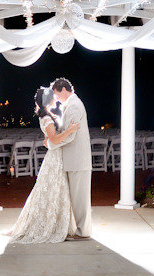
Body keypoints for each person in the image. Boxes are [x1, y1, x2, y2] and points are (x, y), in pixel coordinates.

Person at [8, 87, 79, 243]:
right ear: (47, 100)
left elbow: (51, 138)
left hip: (56, 154)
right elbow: (54, 139)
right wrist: (70, 130)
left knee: (56, 189)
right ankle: (50, 225)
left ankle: (59, 223)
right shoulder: (46, 118)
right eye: (52, 97)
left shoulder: (48, 115)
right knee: (54, 188)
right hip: (55, 157)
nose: (55, 99)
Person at [46, 77, 92, 241]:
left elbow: (70, 136)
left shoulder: (74, 106)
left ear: (64, 89)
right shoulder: (72, 105)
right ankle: (80, 229)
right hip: (75, 159)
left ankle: (83, 232)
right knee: (77, 198)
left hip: (77, 160)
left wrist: (51, 144)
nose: (57, 98)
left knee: (80, 199)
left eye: (57, 95)